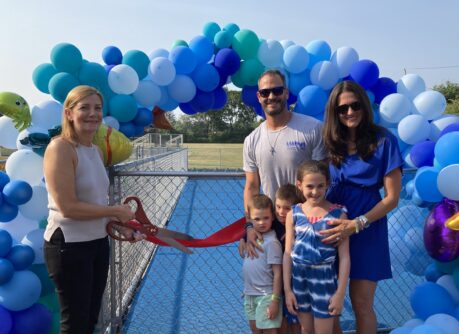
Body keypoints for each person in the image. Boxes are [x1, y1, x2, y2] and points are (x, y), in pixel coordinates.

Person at [43, 85, 143, 334]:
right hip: (68, 246)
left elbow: (96, 204)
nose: (92, 113)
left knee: (90, 321)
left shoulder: (96, 151)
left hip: (97, 243)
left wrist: (122, 225)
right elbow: (68, 207)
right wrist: (115, 211)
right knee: (75, 324)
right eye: (84, 107)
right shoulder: (60, 148)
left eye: (97, 108)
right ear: (69, 113)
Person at [321, 80, 403, 334]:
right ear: (334, 113)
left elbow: (392, 198)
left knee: (362, 304)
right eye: (342, 108)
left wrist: (357, 224)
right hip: (332, 231)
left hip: (367, 231)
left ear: (364, 106)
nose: (349, 112)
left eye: (354, 105)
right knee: (328, 304)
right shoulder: (331, 143)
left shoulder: (383, 141)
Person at [243, 69, 327, 257]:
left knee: (308, 283)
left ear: (286, 93)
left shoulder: (312, 128)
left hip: (308, 223)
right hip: (273, 226)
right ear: (259, 97)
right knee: (272, 284)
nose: (271, 96)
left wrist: (313, 221)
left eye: (277, 90)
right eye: (265, 92)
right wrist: (249, 226)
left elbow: (324, 180)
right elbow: (251, 187)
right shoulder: (251, 140)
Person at [283, 161, 350, 334]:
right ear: (299, 185)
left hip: (324, 280)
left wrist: (340, 293)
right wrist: (287, 289)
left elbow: (344, 257)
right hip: (299, 279)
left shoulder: (338, 215)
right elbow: (288, 253)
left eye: (320, 186)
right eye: (310, 186)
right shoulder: (294, 213)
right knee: (306, 330)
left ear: (328, 183)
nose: (315, 191)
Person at [240, 184, 303, 334]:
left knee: (294, 322)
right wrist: (245, 236)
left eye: (287, 208)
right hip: (269, 285)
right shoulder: (272, 224)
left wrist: (294, 232)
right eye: (278, 207)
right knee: (280, 323)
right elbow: (256, 223)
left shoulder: (298, 224)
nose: (281, 212)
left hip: (291, 281)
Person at [243, 194, 283, 333]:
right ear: (249, 218)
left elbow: (278, 274)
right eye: (257, 219)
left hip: (266, 295)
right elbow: (242, 252)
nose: (261, 223)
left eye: (266, 218)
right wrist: (243, 239)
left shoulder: (272, 243)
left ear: (272, 216)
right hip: (249, 295)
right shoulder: (251, 239)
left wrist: (275, 300)